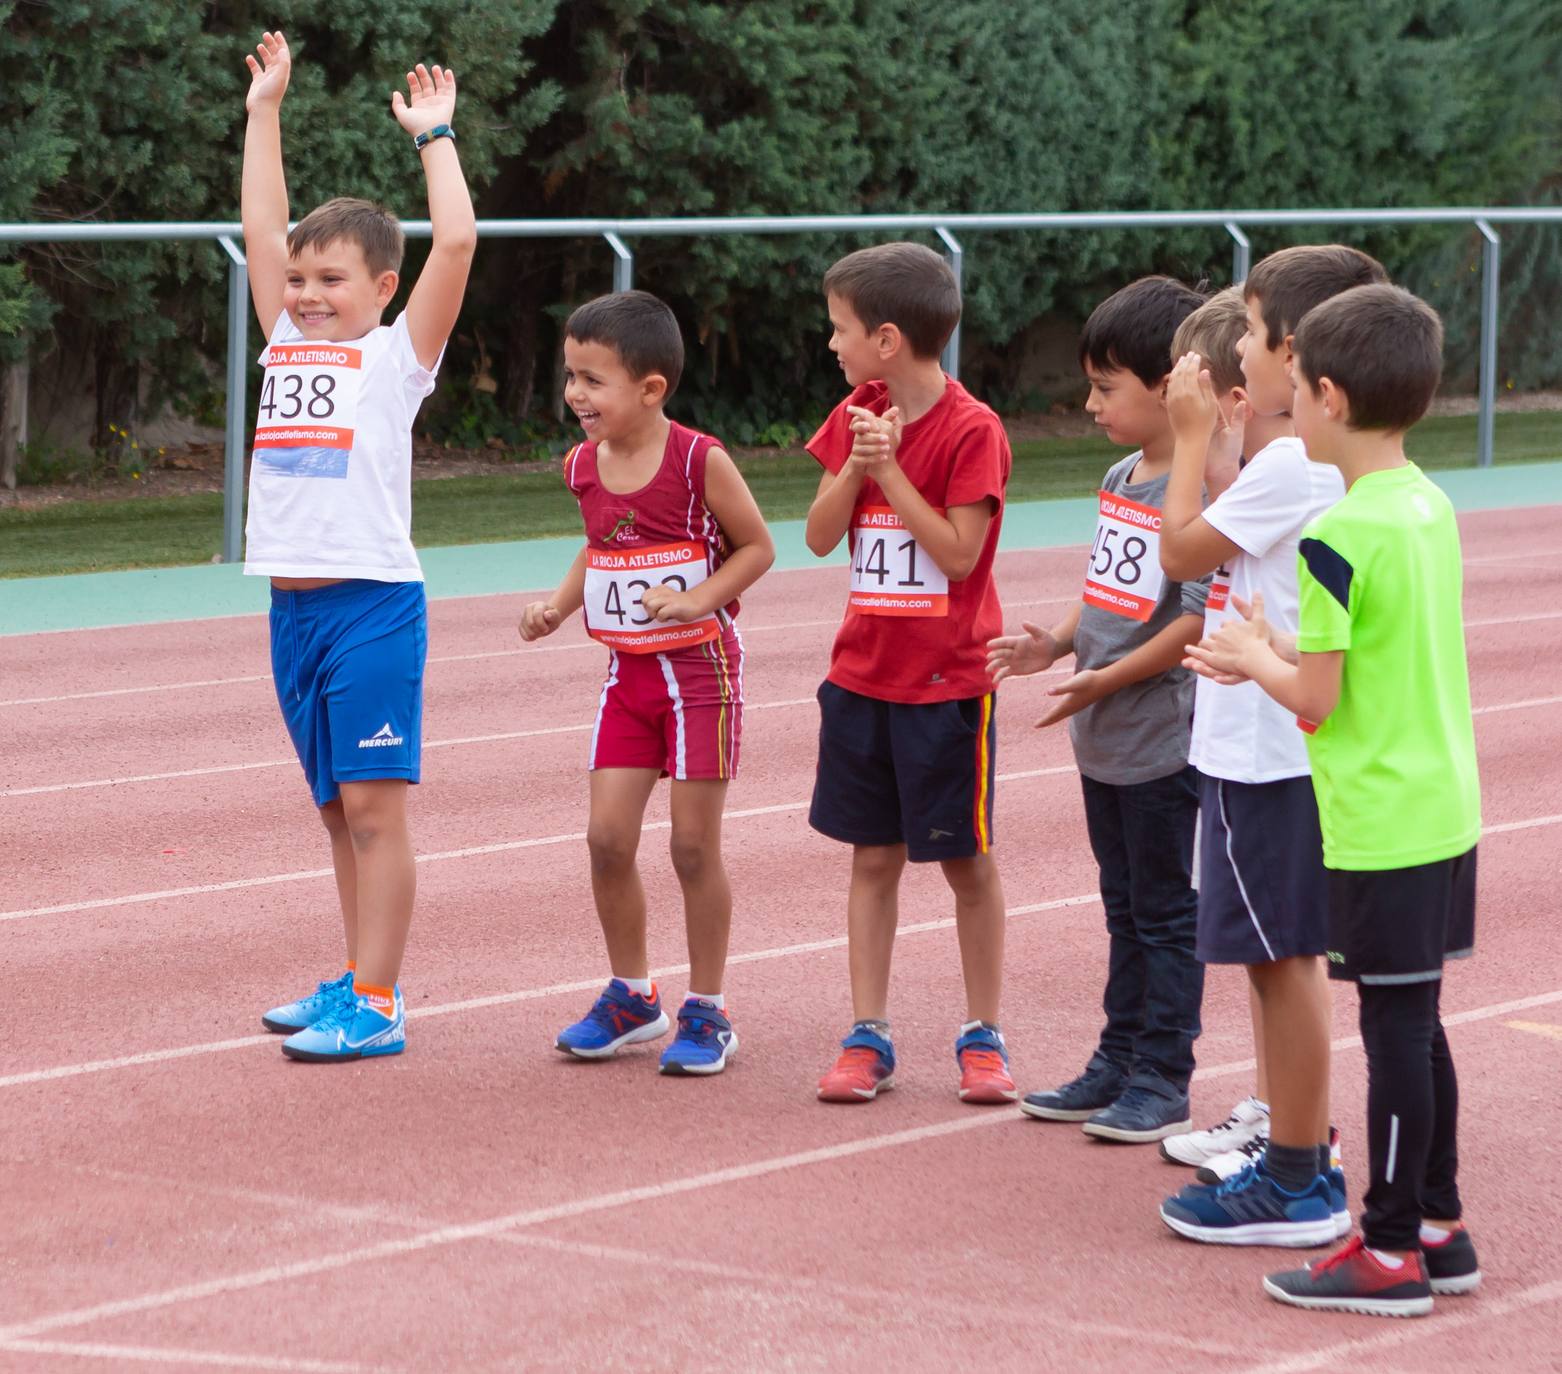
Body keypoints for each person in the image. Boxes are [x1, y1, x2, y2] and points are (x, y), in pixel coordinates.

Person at [1188, 283, 1481, 1316]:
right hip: (1443, 801)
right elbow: (1367, 653)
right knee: (1419, 1020)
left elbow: (1314, 700)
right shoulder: (1425, 505)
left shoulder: (1333, 535)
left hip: (1379, 817)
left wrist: (1249, 658)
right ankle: (1439, 1227)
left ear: (1323, 397)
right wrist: (1273, 646)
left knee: (1395, 1034)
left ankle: (1390, 1246)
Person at [242, 31, 476, 1061]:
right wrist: (264, 113)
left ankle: (377, 1002)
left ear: (381, 287)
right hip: (292, 611)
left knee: (376, 813)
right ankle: (353, 974)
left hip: (371, 604)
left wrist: (436, 140)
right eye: (299, 277)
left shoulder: (395, 359)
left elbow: (458, 244)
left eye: (330, 278)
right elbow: (259, 229)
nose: (304, 293)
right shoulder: (286, 341)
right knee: (340, 814)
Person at [1155, 248, 1385, 1245]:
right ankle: (1286, 1134)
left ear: (1293, 353)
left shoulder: (1296, 466)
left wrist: (1186, 436)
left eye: (1248, 333)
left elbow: (1179, 550)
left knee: (1281, 958)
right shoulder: (1292, 465)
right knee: (1267, 955)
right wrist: (1219, 448)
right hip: (1262, 743)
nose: (1238, 349)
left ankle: (1298, 1176)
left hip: (1266, 752)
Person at [520, 290, 774, 1076]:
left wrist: (699, 598)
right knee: (605, 840)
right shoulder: (581, 467)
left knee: (693, 848)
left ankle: (708, 1009)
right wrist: (560, 607)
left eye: (593, 380)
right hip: (627, 675)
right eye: (571, 377)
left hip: (701, 674)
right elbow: (596, 548)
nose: (575, 396)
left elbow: (758, 548)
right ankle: (633, 996)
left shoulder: (702, 461)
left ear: (652, 388)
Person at [992, 276, 1209, 1142]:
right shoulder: (1124, 472)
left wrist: (1108, 680)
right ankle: (1117, 1060)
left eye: (1105, 386)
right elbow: (1108, 588)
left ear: (1168, 387)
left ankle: (1164, 1075)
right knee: (1122, 907)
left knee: (1163, 912)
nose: (1088, 404)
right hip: (1103, 733)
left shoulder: (1200, 490)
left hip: (1160, 738)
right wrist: (1058, 646)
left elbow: (1195, 614)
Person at [804, 242, 1016, 1105]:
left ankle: (982, 1032)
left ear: (887, 338)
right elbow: (819, 537)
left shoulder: (974, 431)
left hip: (947, 687)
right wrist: (859, 464)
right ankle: (868, 1032)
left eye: (841, 330)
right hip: (864, 677)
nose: (833, 346)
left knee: (964, 862)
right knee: (872, 859)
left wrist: (891, 468)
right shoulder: (857, 412)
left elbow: (961, 557)